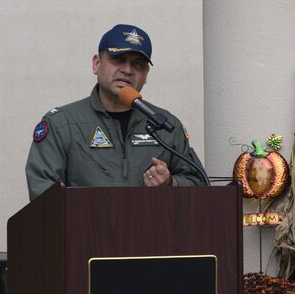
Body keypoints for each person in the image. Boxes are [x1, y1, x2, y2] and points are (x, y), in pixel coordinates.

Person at [25, 24, 205, 200]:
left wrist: (170, 184)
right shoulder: (62, 124)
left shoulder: (165, 125)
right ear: (96, 64)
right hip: (85, 229)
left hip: (152, 229)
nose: (127, 70)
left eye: (138, 64)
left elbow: (199, 184)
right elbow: (43, 191)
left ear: (146, 74)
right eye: (118, 59)